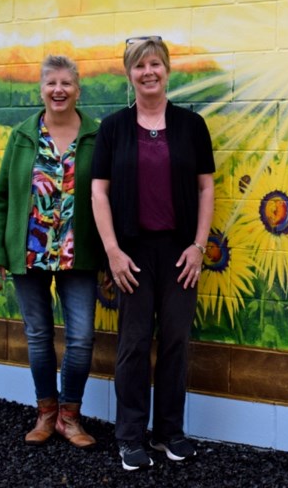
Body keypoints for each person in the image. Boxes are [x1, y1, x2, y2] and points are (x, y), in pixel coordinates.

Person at [91, 36, 215, 471]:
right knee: (133, 344)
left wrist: (199, 246)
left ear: (167, 70)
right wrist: (113, 252)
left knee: (176, 341)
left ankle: (168, 433)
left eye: (155, 64)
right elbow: (99, 193)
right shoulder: (112, 129)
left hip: (180, 252)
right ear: (129, 74)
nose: (148, 72)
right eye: (139, 65)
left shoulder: (191, 126)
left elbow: (205, 187)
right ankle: (129, 437)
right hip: (133, 254)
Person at [0, 54, 103, 449]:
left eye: (66, 83)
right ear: (41, 89)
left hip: (78, 255)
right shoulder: (22, 136)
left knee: (82, 337)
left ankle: (70, 417)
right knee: (38, 336)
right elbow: (1, 197)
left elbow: (110, 197)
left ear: (77, 89)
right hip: (29, 253)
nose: (59, 90)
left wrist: (112, 253)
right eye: (51, 83)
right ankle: (45, 414)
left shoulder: (96, 135)